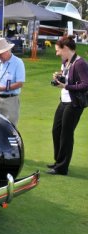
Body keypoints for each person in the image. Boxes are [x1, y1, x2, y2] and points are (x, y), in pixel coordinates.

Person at [46, 35, 88, 175]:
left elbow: (85, 84)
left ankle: (62, 167)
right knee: (56, 130)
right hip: (64, 101)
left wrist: (66, 85)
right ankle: (58, 161)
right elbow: (69, 78)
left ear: (66, 48)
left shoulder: (80, 63)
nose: (57, 53)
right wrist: (59, 76)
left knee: (66, 134)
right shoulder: (66, 61)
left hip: (74, 103)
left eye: (58, 50)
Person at [0, 37, 25, 126]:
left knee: (9, 128)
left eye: (0, 54)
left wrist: (0, 88)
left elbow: (20, 83)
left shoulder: (18, 63)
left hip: (10, 101)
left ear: (7, 50)